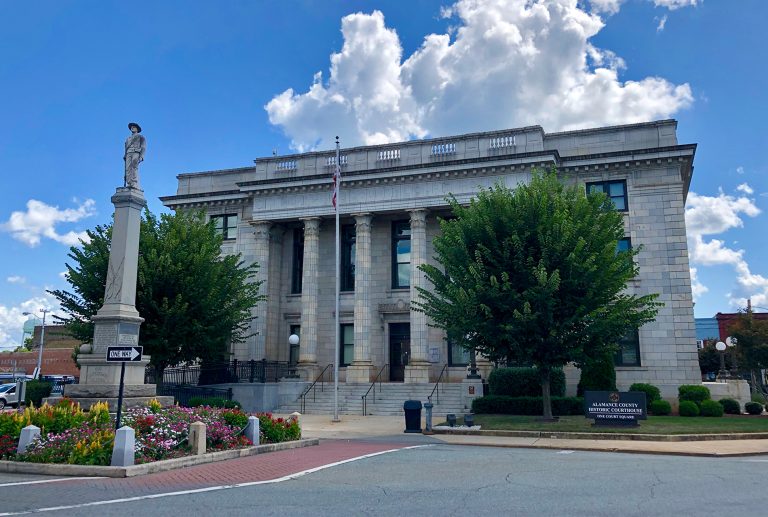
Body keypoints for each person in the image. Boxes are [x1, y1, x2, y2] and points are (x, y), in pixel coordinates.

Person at [124, 122, 146, 189]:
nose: (132, 128)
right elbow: (126, 147)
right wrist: (125, 155)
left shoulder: (140, 136)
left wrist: (142, 156)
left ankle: (134, 182)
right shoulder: (128, 138)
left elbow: (143, 147)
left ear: (137, 129)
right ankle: (129, 183)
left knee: (134, 167)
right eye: (131, 127)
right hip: (128, 153)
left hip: (136, 152)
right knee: (128, 168)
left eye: (134, 127)